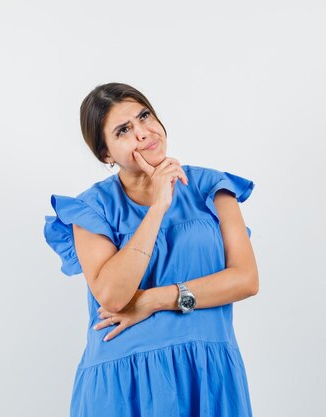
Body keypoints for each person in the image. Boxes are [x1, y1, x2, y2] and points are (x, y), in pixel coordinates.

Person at [43, 82, 259, 416]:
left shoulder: (211, 188)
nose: (143, 132)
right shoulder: (90, 209)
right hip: (123, 382)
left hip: (206, 372)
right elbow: (113, 296)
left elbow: (245, 280)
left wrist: (152, 300)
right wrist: (159, 204)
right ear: (106, 154)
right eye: (124, 130)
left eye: (144, 116)